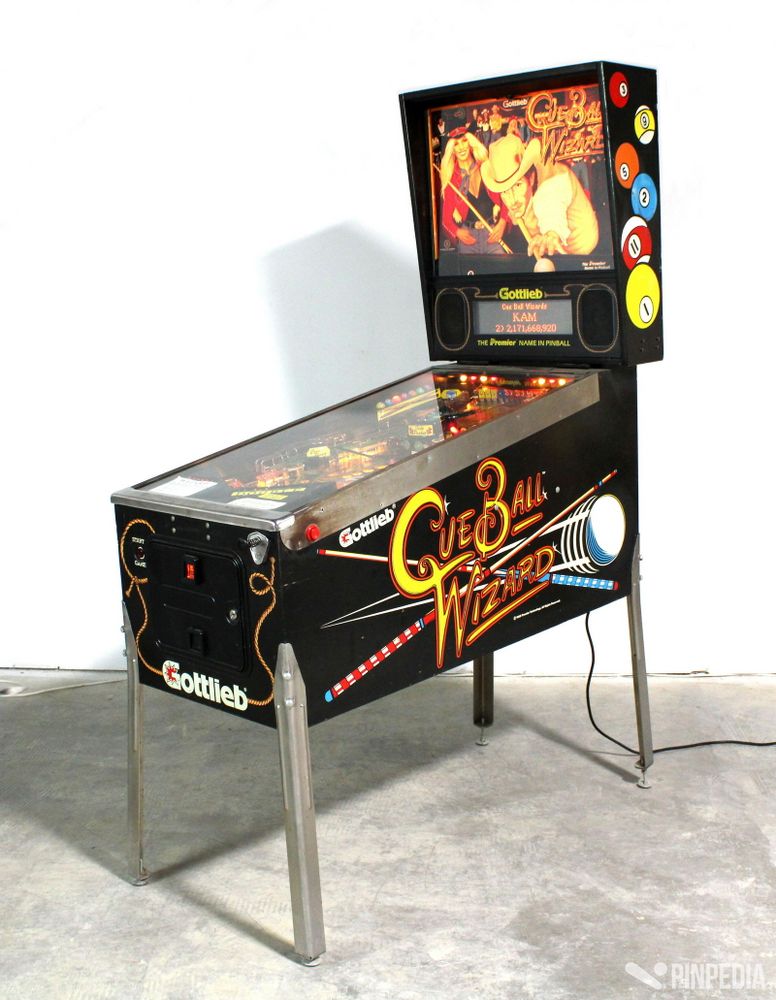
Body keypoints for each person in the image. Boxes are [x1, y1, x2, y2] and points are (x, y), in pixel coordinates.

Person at [480, 133, 599, 260]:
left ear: (531, 178)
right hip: (561, 258)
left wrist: (551, 234)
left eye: (518, 185)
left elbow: (551, 205)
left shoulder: (551, 183)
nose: (512, 199)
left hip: (590, 255)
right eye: (505, 191)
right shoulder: (521, 199)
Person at [439, 127, 506, 255]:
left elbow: (506, 196)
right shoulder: (451, 180)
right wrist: (457, 232)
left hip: (492, 233)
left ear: (470, 143)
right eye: (456, 144)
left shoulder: (486, 167)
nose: (461, 147)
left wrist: (502, 222)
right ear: (452, 150)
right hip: (469, 239)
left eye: (464, 141)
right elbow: (445, 220)